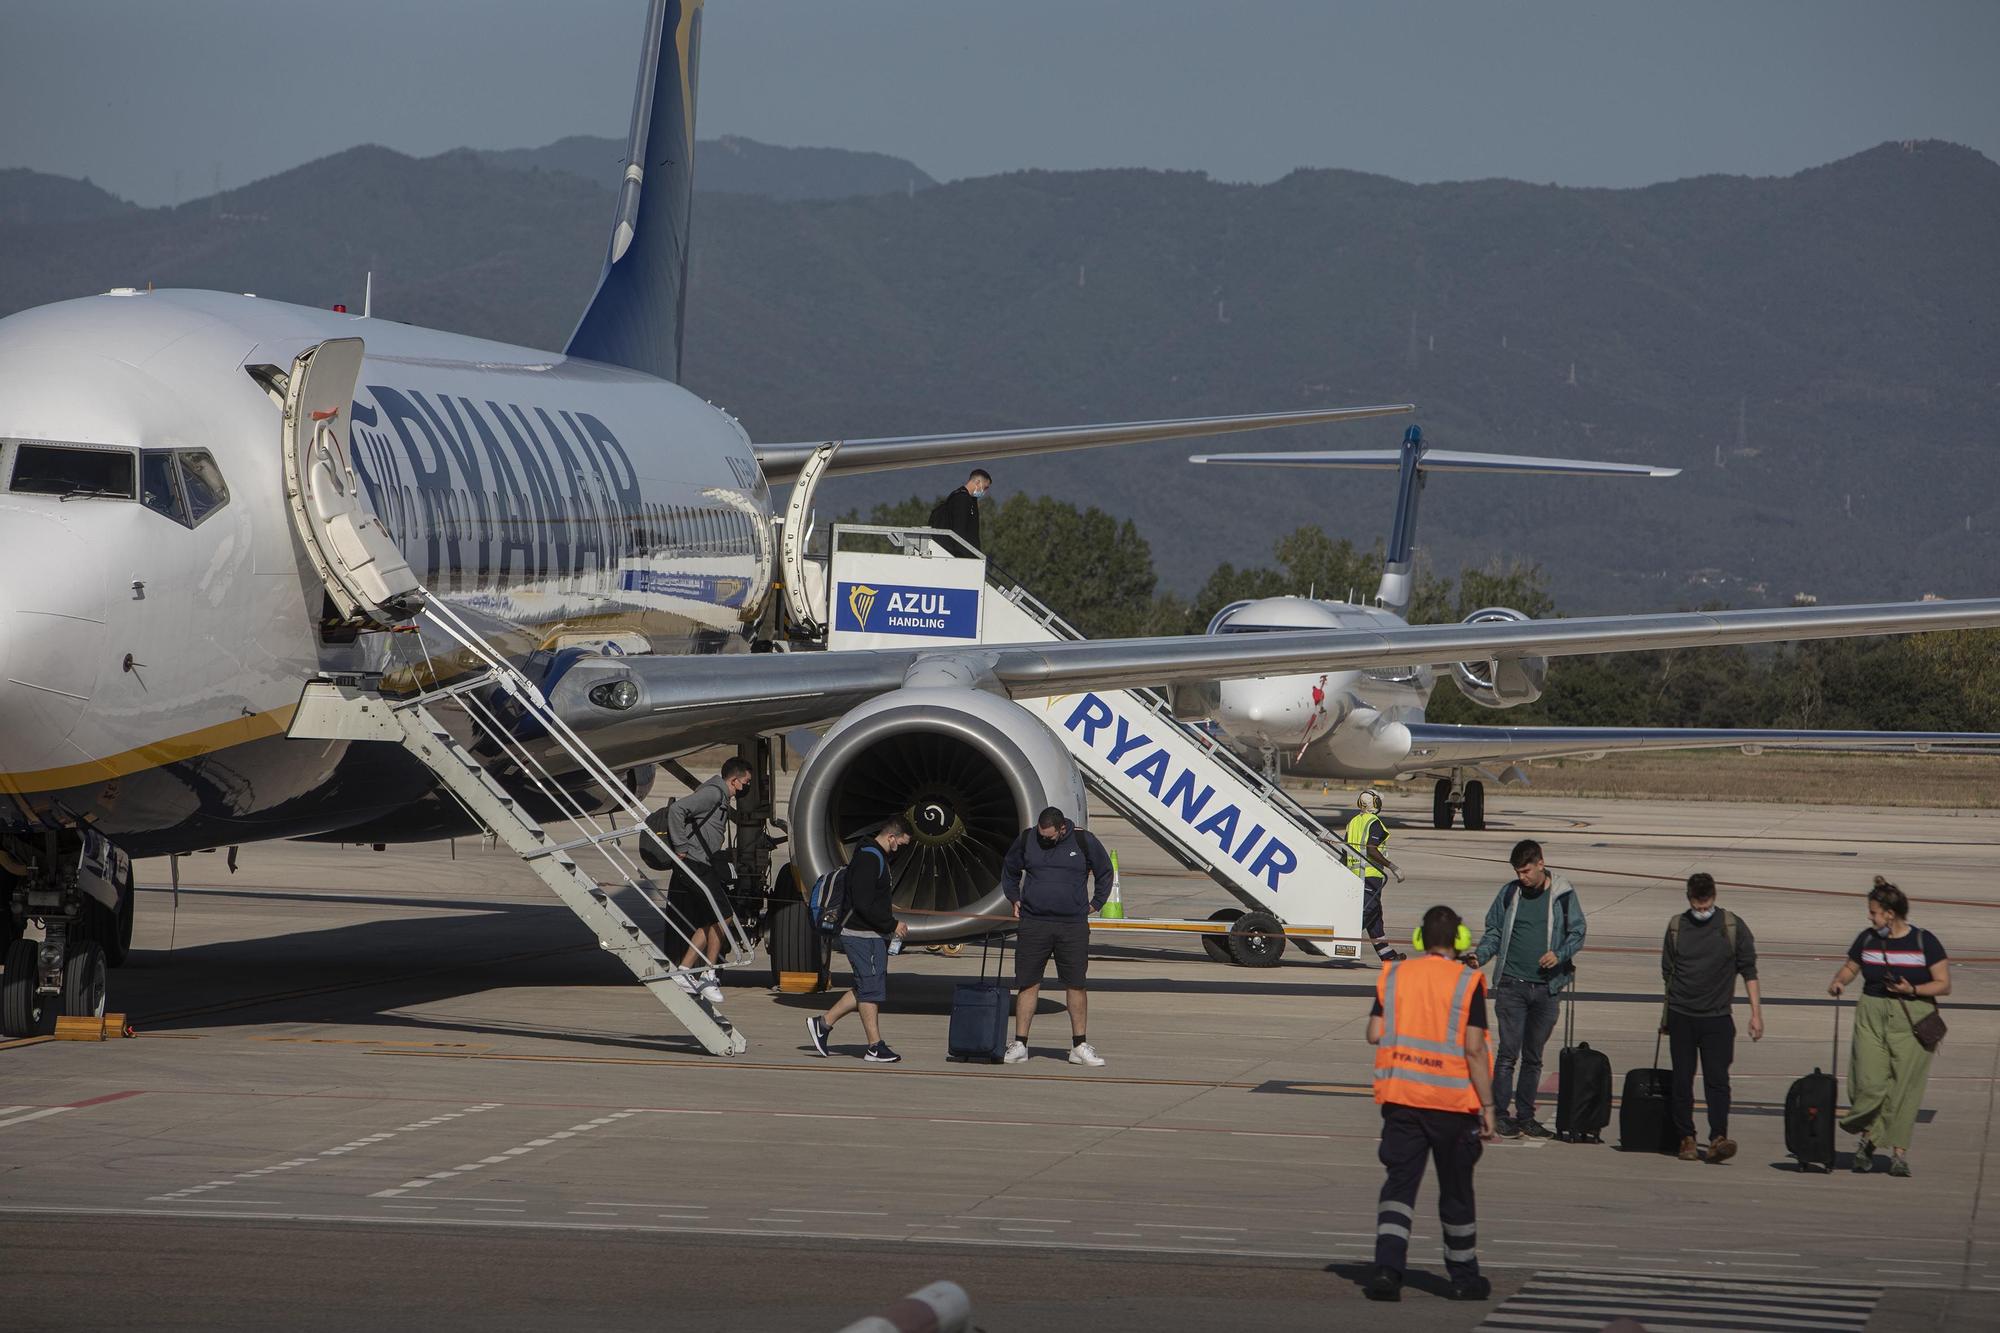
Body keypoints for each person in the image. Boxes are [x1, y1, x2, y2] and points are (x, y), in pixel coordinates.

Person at [1364, 904, 1497, 1304]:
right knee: (1456, 1192)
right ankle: (1463, 1278)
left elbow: (1374, 1033)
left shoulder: (1395, 975)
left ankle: (1387, 1271)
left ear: (1420, 939)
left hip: (1403, 1100)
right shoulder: (1467, 982)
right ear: (1459, 940)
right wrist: (1489, 1106)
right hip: (1451, 1104)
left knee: (1399, 1187)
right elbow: (1474, 1049)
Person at [1827, 877, 1950, 1177]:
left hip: (1912, 1015)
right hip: (1871, 1012)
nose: (1870, 918)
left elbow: (1943, 984)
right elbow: (1851, 967)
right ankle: (1867, 1136)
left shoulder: (1924, 941)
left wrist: (1913, 989)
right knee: (1868, 1082)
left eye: (1874, 912)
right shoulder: (1867, 939)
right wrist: (1840, 981)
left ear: (1890, 914)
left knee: (1904, 1088)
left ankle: (1895, 1153)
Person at [1470, 839, 1586, 1139]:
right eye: (1518, 872)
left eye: (1526, 871)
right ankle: (1500, 1114)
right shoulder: (1510, 893)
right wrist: (1480, 956)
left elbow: (1578, 931)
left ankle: (1526, 1116)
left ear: (1540, 864)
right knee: (1508, 1054)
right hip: (1512, 985)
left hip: (1547, 989)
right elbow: (1494, 931)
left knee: (1534, 1057)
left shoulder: (1562, 894)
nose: (1522, 877)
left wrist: (1559, 954)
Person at [1661, 872, 1763, 1163]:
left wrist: (1756, 1014)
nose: (1702, 909)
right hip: (1682, 1015)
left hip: (1717, 1018)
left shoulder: (1732, 926)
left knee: (1717, 1081)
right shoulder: (1677, 927)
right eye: (1697, 903)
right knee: (1682, 1080)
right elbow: (1667, 971)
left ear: (1714, 897)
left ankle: (1718, 1136)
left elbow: (1749, 971)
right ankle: (1686, 1137)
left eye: (1706, 904)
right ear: (1689, 898)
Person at [999, 806, 1113, 1067]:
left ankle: (1079, 1046)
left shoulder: (1083, 840)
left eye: (1049, 836)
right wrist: (1014, 897)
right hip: (1034, 923)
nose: (1044, 840)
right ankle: (1020, 1044)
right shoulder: (1028, 839)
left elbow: (1105, 871)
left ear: (1062, 829)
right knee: (1028, 983)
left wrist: (1096, 903)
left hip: (1072, 925)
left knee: (1076, 984)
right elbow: (1010, 869)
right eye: (1041, 835)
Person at [806, 816, 915, 1063]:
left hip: (870, 934)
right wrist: (892, 925)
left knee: (866, 987)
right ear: (891, 837)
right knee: (871, 990)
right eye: (901, 843)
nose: (900, 849)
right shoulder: (869, 859)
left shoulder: (874, 856)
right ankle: (874, 1046)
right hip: (862, 935)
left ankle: (823, 1024)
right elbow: (863, 904)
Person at [659, 756, 753, 1004]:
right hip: (695, 863)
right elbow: (678, 810)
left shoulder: (719, 796)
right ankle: (708, 975)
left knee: (710, 921)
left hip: (702, 864)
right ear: (734, 780)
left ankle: (683, 972)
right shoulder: (712, 793)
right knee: (724, 916)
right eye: (746, 782)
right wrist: (681, 846)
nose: (747, 787)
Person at [1345, 789, 1404, 963]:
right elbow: (1371, 849)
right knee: (1368, 912)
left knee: (1375, 915)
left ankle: (1388, 955)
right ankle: (1343, 937)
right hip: (1370, 875)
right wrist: (1392, 867)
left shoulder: (1353, 822)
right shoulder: (1374, 823)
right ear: (1375, 804)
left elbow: (1346, 848)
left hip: (1354, 875)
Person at [928, 468, 991, 554]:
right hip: (961, 555)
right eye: (985, 487)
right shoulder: (961, 498)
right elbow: (959, 530)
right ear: (977, 482)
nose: (985, 491)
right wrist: (965, 555)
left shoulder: (970, 499)